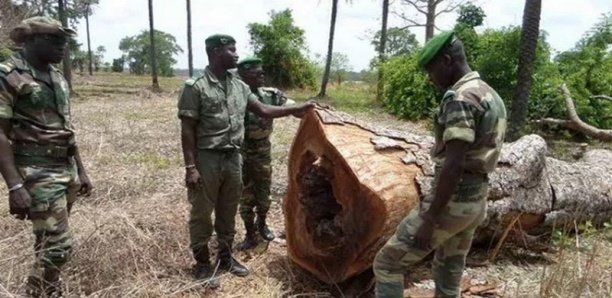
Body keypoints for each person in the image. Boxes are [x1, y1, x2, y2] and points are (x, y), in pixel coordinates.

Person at [373, 31, 507, 298]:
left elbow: (454, 164)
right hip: (476, 200)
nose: (429, 77)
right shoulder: (489, 94)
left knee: (387, 263)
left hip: (453, 203)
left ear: (446, 60)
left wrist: (430, 218)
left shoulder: (460, 98)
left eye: (431, 69)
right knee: (448, 270)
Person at [177, 34, 314, 289]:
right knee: (202, 214)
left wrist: (297, 108)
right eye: (231, 49)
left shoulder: (239, 86)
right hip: (207, 158)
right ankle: (203, 263)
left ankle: (226, 258)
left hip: (233, 158)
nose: (236, 54)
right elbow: (187, 130)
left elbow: (264, 110)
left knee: (228, 211)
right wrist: (190, 167)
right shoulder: (195, 87)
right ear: (217, 52)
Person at [0, 17, 93, 297]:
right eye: (53, 40)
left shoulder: (57, 77)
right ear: (29, 40)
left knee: (47, 241)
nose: (61, 46)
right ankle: (36, 293)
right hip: (35, 171)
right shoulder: (8, 75)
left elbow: (66, 128)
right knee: (59, 246)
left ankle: (50, 289)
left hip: (64, 169)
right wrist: (15, 185)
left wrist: (81, 170)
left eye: (64, 41)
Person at [234, 56, 296, 250]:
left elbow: (293, 108)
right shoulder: (234, 96)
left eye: (262, 72)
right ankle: (250, 232)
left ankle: (262, 224)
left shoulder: (272, 95)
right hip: (240, 152)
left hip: (262, 151)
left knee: (264, 192)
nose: (261, 75)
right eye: (256, 72)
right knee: (245, 195)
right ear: (243, 75)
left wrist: (313, 109)